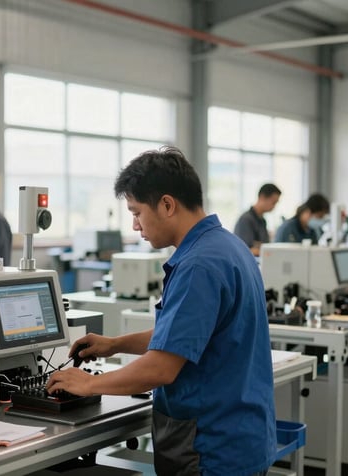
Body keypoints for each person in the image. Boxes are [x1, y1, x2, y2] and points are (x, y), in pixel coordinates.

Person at [47, 147, 276, 476]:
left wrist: (89, 385)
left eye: (137, 212)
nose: (135, 225)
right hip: (241, 437)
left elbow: (161, 368)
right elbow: (186, 335)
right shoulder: (228, 246)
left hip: (211, 449)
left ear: (167, 205)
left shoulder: (198, 265)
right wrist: (115, 345)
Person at [233, 183, 281, 256]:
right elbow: (244, 250)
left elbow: (264, 245)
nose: (274, 206)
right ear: (262, 197)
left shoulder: (262, 220)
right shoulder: (246, 219)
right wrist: (270, 252)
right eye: (273, 202)